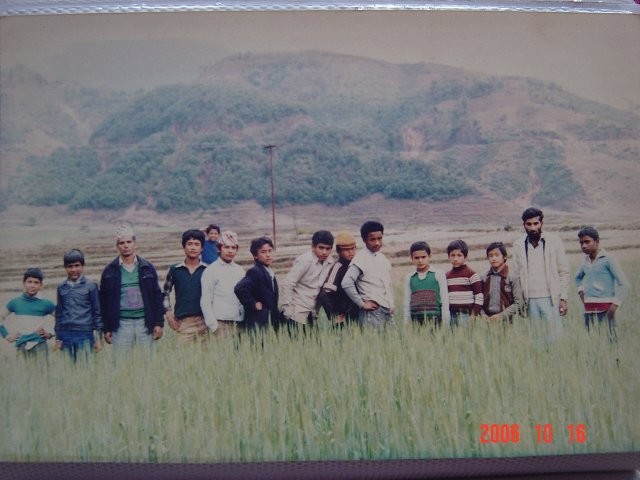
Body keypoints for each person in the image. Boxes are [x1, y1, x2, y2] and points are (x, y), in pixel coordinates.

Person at [100, 225, 164, 351]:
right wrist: (106, 328)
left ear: (135, 244)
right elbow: (104, 302)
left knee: (146, 360)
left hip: (144, 323)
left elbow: (157, 296)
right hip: (121, 324)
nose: (126, 246)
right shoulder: (109, 271)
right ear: (117, 246)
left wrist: (158, 323)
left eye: (129, 242)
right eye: (122, 243)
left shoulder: (147, 268)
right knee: (121, 361)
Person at [511, 207, 569, 342]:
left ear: (541, 223)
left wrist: (563, 298)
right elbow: (516, 276)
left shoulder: (554, 241)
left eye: (535, 223)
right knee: (536, 338)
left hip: (551, 298)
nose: (532, 228)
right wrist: (520, 302)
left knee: (555, 337)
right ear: (524, 225)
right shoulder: (519, 245)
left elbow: (564, 272)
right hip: (530, 300)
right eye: (529, 224)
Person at [575, 226, 630, 341]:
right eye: (581, 243)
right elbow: (577, 278)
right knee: (592, 343)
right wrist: (581, 292)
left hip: (605, 310)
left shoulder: (608, 259)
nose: (583, 246)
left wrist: (613, 307)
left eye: (587, 242)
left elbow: (624, 284)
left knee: (610, 342)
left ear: (597, 241)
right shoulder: (585, 261)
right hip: (588, 310)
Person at [342, 221, 394, 328]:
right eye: (372, 239)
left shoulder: (382, 258)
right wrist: (362, 304)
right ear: (364, 240)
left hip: (387, 310)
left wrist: (391, 304)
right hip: (373, 312)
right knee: (373, 339)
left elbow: (388, 284)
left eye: (379, 238)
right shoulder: (360, 259)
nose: (377, 243)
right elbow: (346, 282)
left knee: (392, 338)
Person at [280, 230, 334, 333]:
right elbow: (287, 284)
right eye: (321, 248)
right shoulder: (305, 260)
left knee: (314, 341)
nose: (324, 252)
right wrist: (288, 311)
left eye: (328, 249)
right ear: (313, 247)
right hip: (296, 312)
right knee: (296, 341)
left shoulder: (330, 262)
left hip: (311, 312)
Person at [162, 229, 209, 345]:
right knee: (182, 354)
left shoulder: (208, 270)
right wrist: (169, 315)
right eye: (189, 244)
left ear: (202, 248)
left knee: (207, 355)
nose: (193, 248)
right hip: (183, 323)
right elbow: (165, 293)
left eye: (197, 244)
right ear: (184, 247)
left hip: (206, 322)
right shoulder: (175, 270)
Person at [55, 249, 103, 361]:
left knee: (85, 366)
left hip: (85, 333)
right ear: (65, 267)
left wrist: (99, 338)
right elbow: (59, 313)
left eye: (77, 266)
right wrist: (57, 337)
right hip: (66, 334)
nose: (73, 270)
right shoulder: (61, 287)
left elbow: (97, 312)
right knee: (68, 367)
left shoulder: (91, 286)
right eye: (70, 266)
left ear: (83, 266)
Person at [0, 267, 56, 360]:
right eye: (29, 282)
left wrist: (50, 334)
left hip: (40, 345)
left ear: (41, 285)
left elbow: (62, 318)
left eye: (36, 282)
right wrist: (6, 335)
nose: (32, 285)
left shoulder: (46, 303)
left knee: (42, 369)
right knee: (23, 369)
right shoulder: (15, 302)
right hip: (21, 345)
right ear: (24, 283)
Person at [200, 230, 245, 337]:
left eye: (233, 247)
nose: (230, 251)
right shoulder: (210, 270)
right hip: (220, 324)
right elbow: (205, 301)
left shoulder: (240, 270)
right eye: (226, 247)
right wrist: (214, 326)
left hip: (239, 323)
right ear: (219, 248)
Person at [234, 237, 280, 332]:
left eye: (270, 251)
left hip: (269, 320)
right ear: (255, 256)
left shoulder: (268, 271)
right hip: (259, 321)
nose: (268, 255)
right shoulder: (255, 271)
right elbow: (240, 288)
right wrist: (253, 303)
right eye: (263, 252)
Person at [317, 231, 359, 328]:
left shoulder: (355, 265)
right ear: (338, 251)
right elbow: (325, 294)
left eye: (353, 248)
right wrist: (334, 315)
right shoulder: (337, 268)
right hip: (343, 318)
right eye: (346, 249)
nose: (351, 252)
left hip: (357, 313)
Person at [403, 241, 450, 327]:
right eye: (416, 258)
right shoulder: (410, 277)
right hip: (416, 322)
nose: (420, 260)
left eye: (423, 257)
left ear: (430, 256)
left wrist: (446, 324)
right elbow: (407, 303)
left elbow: (445, 301)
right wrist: (406, 324)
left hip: (436, 320)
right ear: (411, 258)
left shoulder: (438, 274)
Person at [481, 242, 523, 323]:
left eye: (497, 255)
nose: (493, 258)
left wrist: (501, 316)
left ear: (504, 256)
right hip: (487, 321)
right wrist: (483, 315)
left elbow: (518, 302)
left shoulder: (512, 277)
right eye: (490, 256)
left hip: (508, 321)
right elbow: (479, 300)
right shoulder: (484, 277)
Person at [445, 239, 483, 327]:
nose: (455, 258)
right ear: (448, 257)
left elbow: (479, 296)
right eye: (452, 255)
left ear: (465, 257)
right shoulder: (446, 276)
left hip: (466, 315)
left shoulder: (472, 274)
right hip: (451, 315)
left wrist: (474, 314)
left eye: (459, 255)